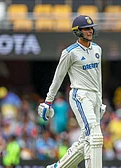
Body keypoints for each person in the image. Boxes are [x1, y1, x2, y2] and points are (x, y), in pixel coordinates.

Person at [38, 15, 106, 168]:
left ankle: (59, 167)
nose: (90, 31)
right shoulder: (70, 52)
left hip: (95, 96)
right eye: (86, 29)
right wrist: (48, 101)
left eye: (91, 28)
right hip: (80, 95)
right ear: (77, 31)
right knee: (94, 137)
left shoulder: (97, 49)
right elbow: (58, 78)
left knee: (85, 139)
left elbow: (98, 78)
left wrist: (100, 101)